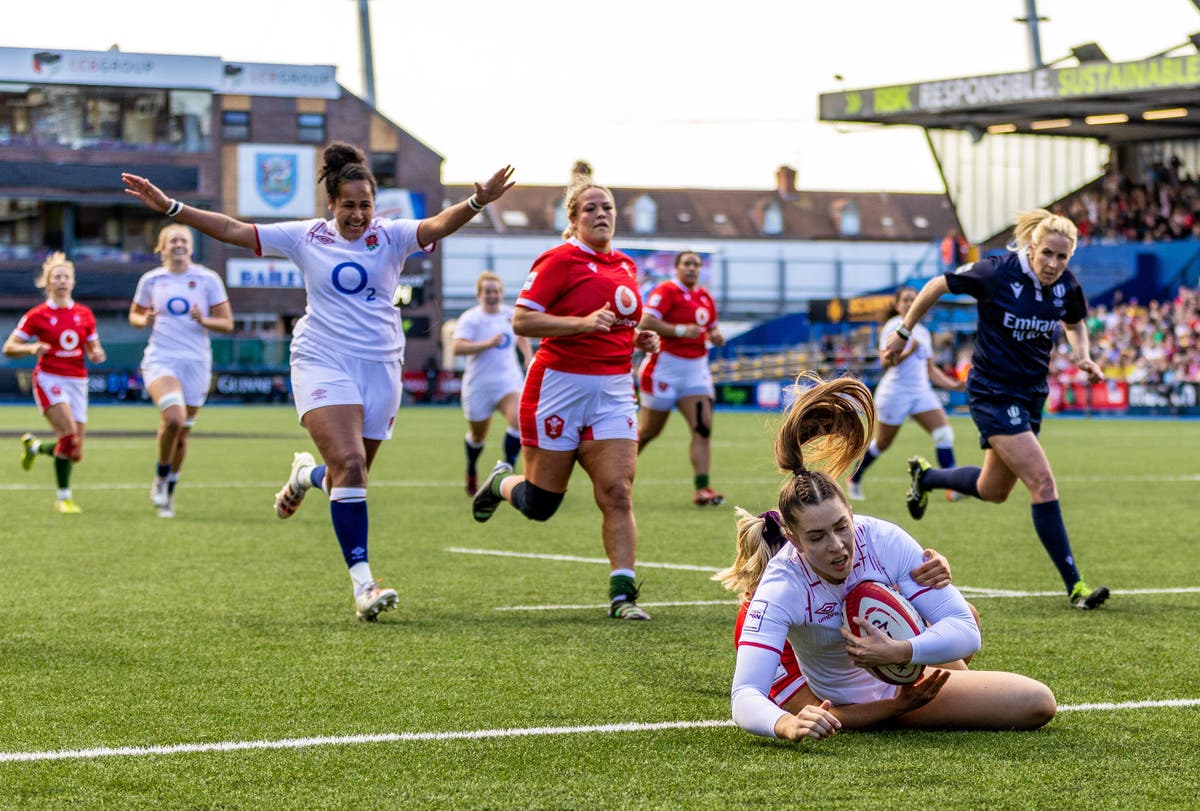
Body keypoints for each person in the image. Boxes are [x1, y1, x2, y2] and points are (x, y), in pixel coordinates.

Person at [123, 143, 514, 621]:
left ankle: (304, 477)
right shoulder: (305, 236)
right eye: (348, 205)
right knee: (350, 466)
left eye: (365, 204)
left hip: (381, 366)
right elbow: (233, 230)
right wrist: (172, 208)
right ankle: (364, 584)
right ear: (331, 204)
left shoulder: (391, 236)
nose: (358, 214)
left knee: (347, 474)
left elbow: (437, 225)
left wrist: (476, 202)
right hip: (320, 358)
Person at [727, 374, 1056, 742]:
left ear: (851, 513)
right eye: (817, 537)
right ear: (794, 541)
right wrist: (785, 724)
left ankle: (938, 697)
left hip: (906, 663)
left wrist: (899, 650)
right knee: (1036, 701)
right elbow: (744, 695)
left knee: (978, 633)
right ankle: (915, 711)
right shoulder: (781, 583)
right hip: (861, 700)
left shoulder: (880, 536)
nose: (836, 545)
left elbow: (964, 629)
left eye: (841, 526)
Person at [883, 209, 1110, 611]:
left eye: (1063, 257)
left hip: (1030, 396)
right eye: (1048, 254)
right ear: (1031, 247)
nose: (1054, 264)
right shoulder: (995, 273)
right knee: (1042, 482)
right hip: (991, 392)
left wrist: (1083, 356)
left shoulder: (1065, 286)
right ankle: (1076, 587)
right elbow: (937, 284)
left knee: (994, 490)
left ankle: (928, 477)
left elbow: (1074, 322)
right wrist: (903, 333)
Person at [471, 175, 662, 620]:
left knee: (617, 491)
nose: (601, 214)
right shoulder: (558, 261)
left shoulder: (627, 267)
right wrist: (580, 324)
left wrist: (638, 340)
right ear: (573, 219)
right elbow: (522, 321)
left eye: (607, 207)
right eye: (591, 208)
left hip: (614, 391)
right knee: (541, 505)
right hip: (557, 388)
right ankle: (501, 482)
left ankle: (623, 595)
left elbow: (615, 325)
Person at [129, 224, 234, 519]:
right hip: (161, 358)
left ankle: (169, 491)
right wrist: (143, 319)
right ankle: (161, 476)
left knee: (183, 434)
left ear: (191, 246)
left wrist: (205, 320)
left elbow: (226, 323)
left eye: (183, 240)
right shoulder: (152, 280)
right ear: (162, 247)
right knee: (173, 418)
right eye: (173, 240)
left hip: (196, 362)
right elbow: (135, 315)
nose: (178, 244)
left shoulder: (207, 279)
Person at [4, 252, 106, 514]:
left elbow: (94, 347)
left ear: (73, 282)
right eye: (56, 277)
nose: (62, 281)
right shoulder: (37, 315)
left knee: (75, 451)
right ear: (47, 283)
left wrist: (96, 353)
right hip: (50, 378)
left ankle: (35, 447)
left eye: (66, 276)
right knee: (69, 436)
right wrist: (31, 348)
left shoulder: (84, 313)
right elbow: (9, 348)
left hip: (78, 381)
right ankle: (63, 498)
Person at [847, 286, 965, 501]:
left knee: (943, 434)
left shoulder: (923, 332)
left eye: (914, 299)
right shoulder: (893, 327)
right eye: (906, 300)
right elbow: (885, 362)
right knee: (882, 444)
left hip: (921, 392)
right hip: (895, 393)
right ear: (898, 305)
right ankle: (854, 477)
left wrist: (955, 385)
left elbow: (931, 370)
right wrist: (909, 349)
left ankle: (953, 486)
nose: (910, 304)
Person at [636, 251, 727, 506]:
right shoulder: (666, 291)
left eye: (696, 265)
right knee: (649, 430)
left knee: (703, 428)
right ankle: (618, 475)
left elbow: (711, 328)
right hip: (664, 369)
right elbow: (646, 320)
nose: (692, 268)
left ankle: (703, 488)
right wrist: (678, 330)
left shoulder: (705, 297)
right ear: (676, 268)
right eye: (687, 264)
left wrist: (716, 335)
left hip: (696, 371)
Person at [452, 271, 531, 494]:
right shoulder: (471, 318)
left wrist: (527, 355)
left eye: (496, 291)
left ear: (501, 294)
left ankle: (506, 471)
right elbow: (457, 347)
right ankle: (471, 468)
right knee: (478, 436)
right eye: (487, 291)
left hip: (508, 382)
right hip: (479, 386)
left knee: (518, 421)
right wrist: (485, 344)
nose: (492, 295)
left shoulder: (510, 315)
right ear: (479, 295)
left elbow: (521, 335)